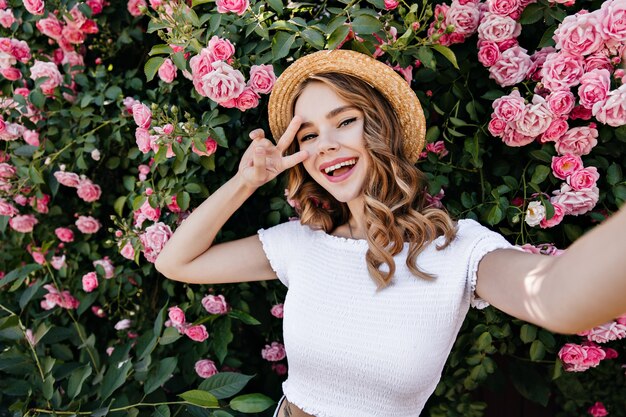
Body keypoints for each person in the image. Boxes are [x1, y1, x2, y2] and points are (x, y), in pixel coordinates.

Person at [155, 50, 626, 417]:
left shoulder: (457, 250)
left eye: (345, 121)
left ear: (380, 127)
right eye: (308, 136)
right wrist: (247, 181)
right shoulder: (302, 243)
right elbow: (176, 262)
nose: (327, 145)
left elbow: (558, 296)